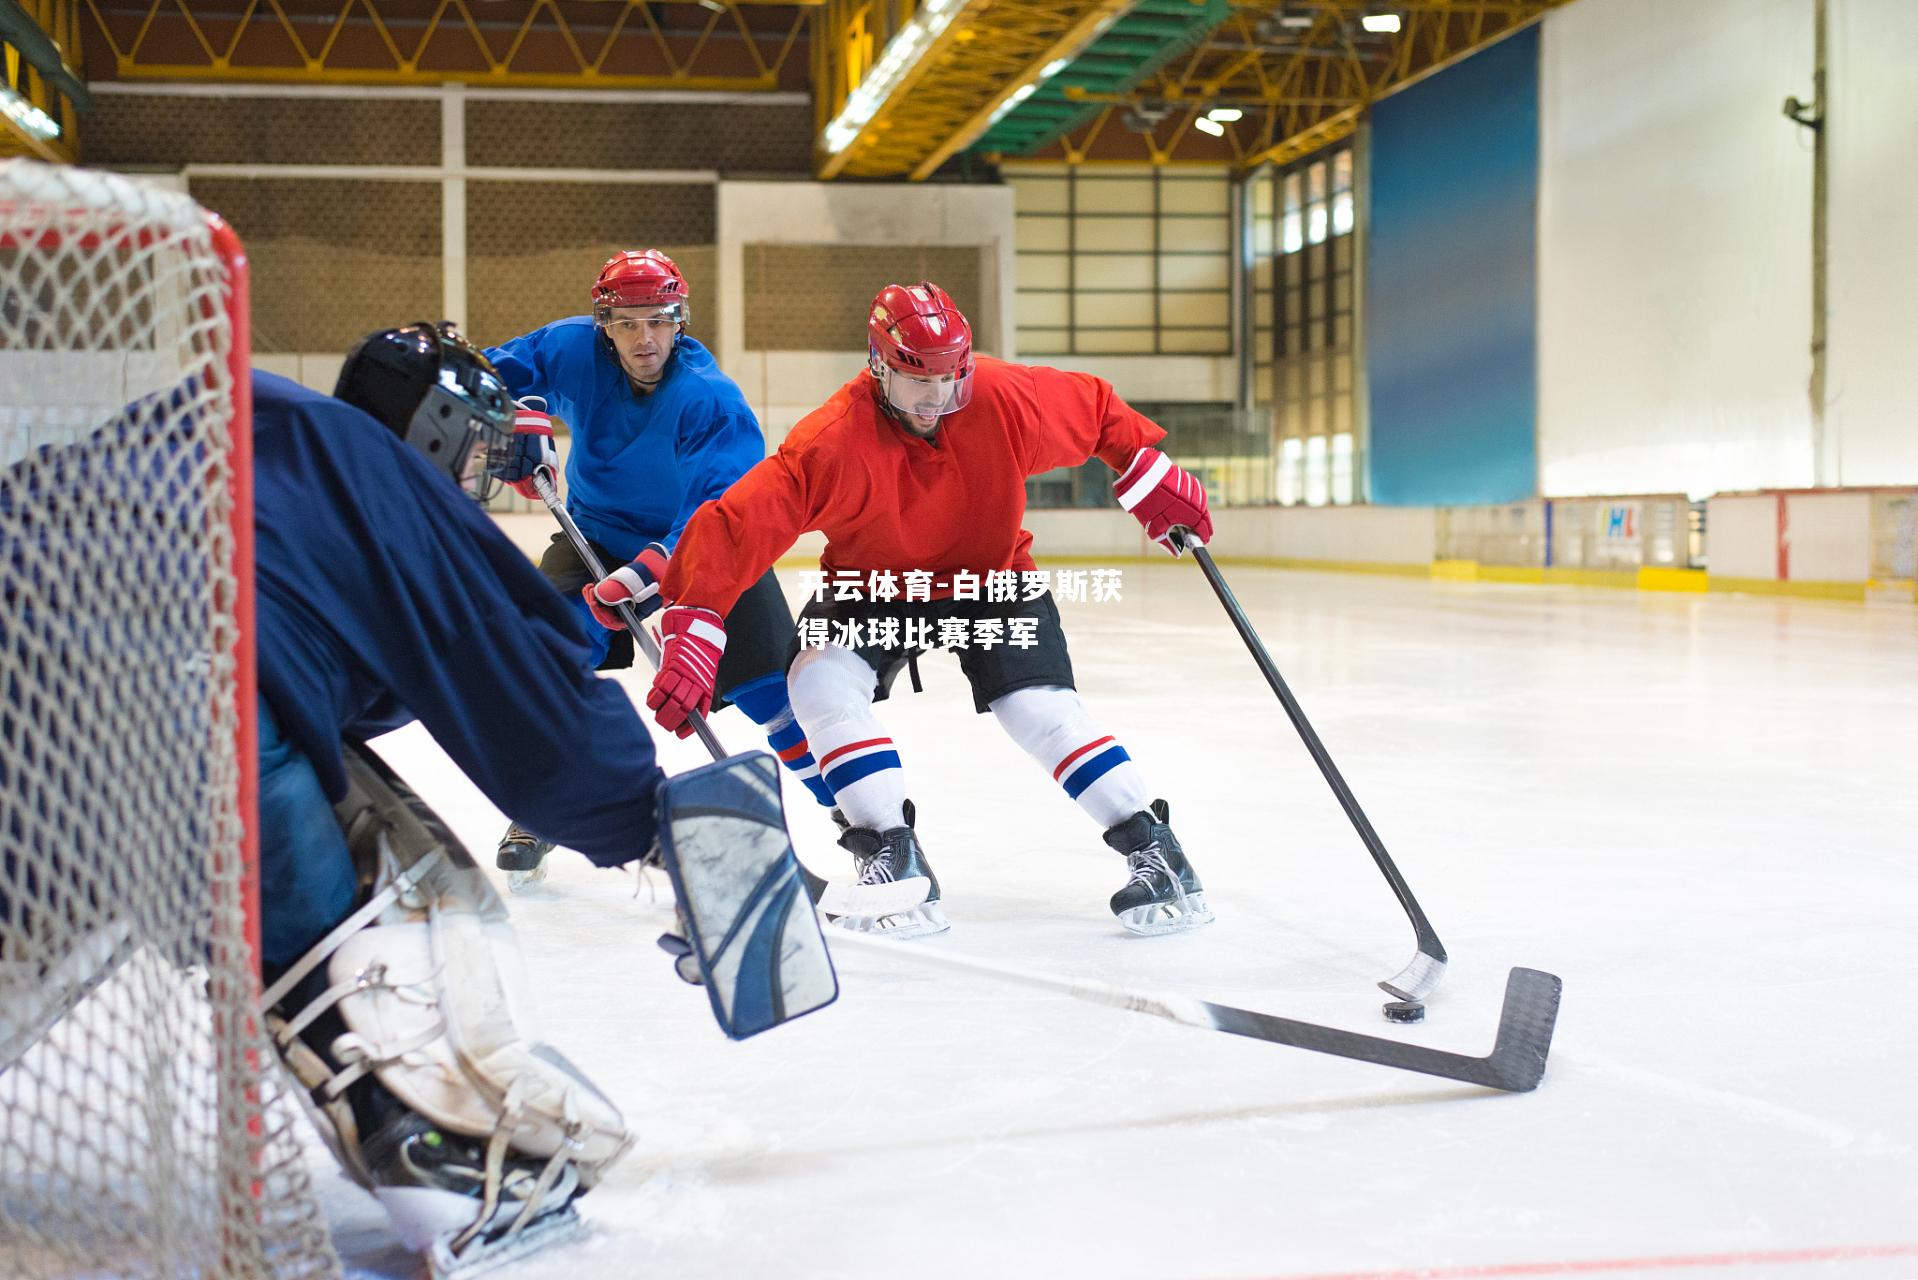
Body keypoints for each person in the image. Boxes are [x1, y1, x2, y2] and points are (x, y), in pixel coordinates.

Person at [247, 323, 667, 1270]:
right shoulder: (373, 472)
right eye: (475, 442)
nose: (481, 469)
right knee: (366, 868)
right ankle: (446, 1174)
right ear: (433, 428)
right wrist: (651, 820)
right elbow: (531, 707)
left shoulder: (258, 417)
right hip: (177, 708)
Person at [626, 282, 1218, 940]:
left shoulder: (1003, 398)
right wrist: (696, 622)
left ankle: (1155, 848)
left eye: (950, 378)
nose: (936, 397)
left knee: (1039, 709)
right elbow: (738, 526)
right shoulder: (831, 442)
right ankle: (893, 852)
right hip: (874, 588)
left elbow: (1098, 411)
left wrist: (1146, 465)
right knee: (818, 681)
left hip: (991, 581)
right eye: (917, 379)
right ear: (879, 366)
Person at [481, 251, 832, 886]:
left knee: (769, 690)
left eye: (660, 321)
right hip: (596, 532)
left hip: (706, 545)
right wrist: (519, 423)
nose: (645, 339)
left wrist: (651, 573)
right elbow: (481, 380)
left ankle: (860, 818)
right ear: (604, 325)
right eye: (628, 323)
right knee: (548, 657)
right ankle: (540, 807)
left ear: (680, 321)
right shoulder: (569, 351)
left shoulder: (708, 398)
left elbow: (723, 510)